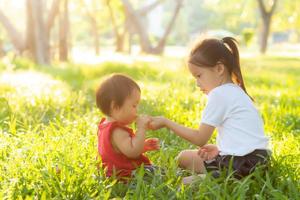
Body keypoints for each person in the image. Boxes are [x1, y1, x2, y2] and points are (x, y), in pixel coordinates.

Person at [149, 37, 270, 183]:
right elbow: (245, 138)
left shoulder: (219, 94)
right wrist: (221, 149)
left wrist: (166, 122)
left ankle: (219, 179)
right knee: (184, 157)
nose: (197, 83)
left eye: (199, 76)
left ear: (219, 69)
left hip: (241, 164)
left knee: (185, 182)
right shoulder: (235, 91)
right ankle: (220, 176)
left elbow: (200, 138)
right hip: (258, 161)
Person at [96, 74, 159, 179]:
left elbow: (122, 151)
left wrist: (142, 147)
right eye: (134, 105)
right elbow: (133, 152)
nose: (136, 110)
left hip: (115, 174)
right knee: (158, 172)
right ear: (115, 106)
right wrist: (141, 129)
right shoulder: (117, 130)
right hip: (127, 175)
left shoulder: (104, 125)